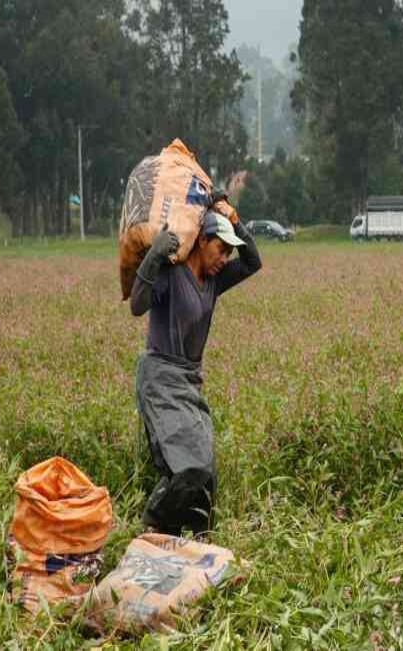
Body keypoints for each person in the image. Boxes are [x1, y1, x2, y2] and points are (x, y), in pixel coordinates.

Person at [129, 210, 261, 537]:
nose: (225, 258)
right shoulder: (172, 273)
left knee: (205, 477)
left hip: (189, 380)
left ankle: (196, 541)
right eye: (220, 248)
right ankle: (153, 526)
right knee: (189, 467)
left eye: (229, 251)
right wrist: (155, 255)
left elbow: (252, 262)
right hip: (160, 378)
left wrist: (233, 218)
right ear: (201, 240)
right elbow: (137, 305)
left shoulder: (215, 280)